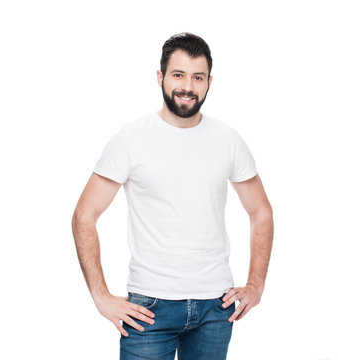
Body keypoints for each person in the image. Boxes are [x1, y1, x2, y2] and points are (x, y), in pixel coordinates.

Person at [72, 32, 274, 360]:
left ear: (209, 82)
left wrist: (256, 284)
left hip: (215, 307)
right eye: (178, 75)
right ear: (160, 77)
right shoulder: (130, 139)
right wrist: (100, 296)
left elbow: (261, 212)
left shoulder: (228, 140)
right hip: (149, 308)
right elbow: (85, 215)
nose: (187, 86)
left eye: (197, 77)